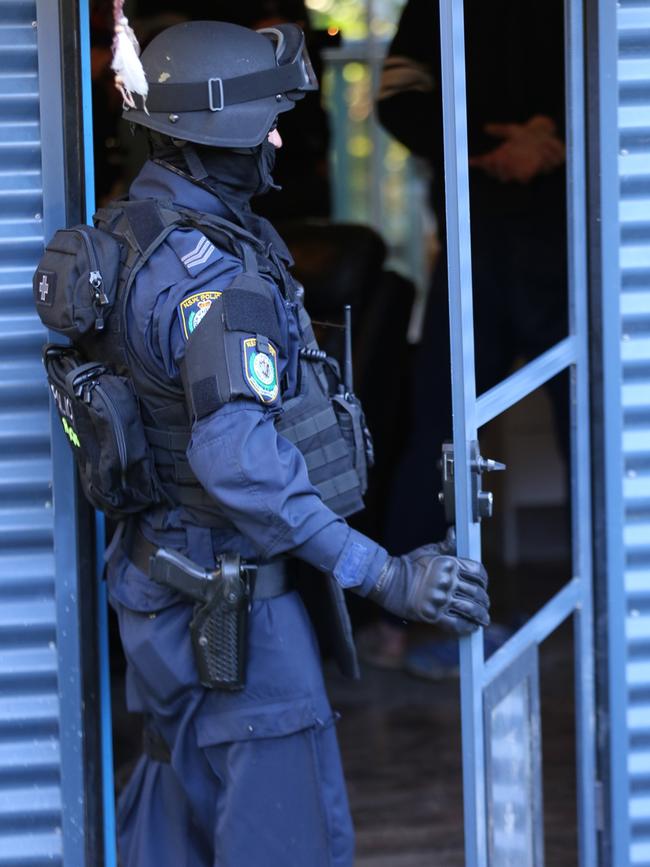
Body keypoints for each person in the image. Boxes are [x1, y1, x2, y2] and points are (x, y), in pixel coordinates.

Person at [84, 21, 490, 866]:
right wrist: (387, 574)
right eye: (263, 121)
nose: (276, 137)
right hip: (237, 621)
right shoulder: (216, 280)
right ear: (208, 131)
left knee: (177, 813)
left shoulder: (126, 235)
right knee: (286, 838)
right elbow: (237, 461)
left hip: (156, 590)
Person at [365, 0, 568, 675]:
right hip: (476, 241)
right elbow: (397, 97)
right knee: (445, 428)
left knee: (595, 425)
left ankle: (610, 600)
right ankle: (400, 623)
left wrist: (554, 130)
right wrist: (494, 145)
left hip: (572, 240)